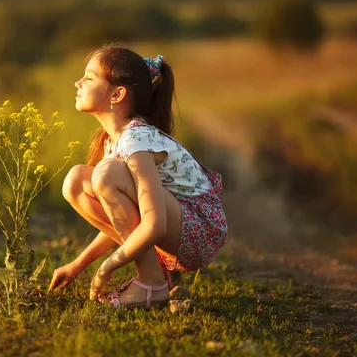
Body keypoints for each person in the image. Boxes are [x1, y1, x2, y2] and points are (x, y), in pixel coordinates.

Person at [48, 46, 228, 309]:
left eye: (89, 77)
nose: (78, 83)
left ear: (117, 94)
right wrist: (79, 264)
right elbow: (124, 218)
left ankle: (152, 283)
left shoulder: (136, 139)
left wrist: (108, 266)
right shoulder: (114, 142)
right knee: (76, 180)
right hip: (177, 225)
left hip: (199, 230)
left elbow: (154, 224)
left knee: (105, 174)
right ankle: (158, 274)